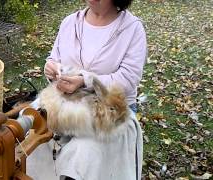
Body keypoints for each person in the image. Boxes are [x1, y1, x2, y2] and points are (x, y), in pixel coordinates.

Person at [26, 0, 147, 179]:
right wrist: (50, 69)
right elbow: (53, 58)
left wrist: (84, 80)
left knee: (85, 154)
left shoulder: (132, 29)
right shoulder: (70, 23)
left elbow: (129, 78)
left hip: (110, 111)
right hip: (63, 103)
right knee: (33, 136)